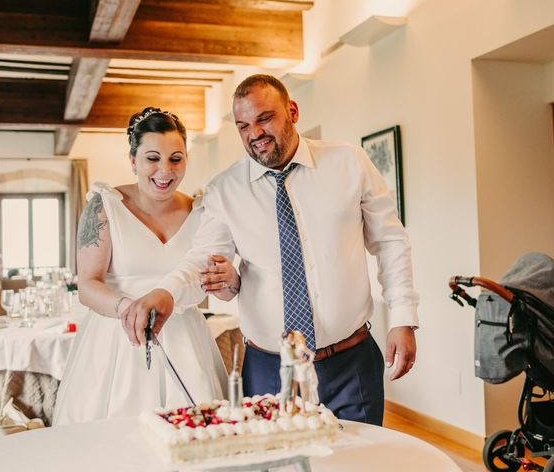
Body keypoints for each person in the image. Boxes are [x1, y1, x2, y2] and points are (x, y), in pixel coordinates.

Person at [121, 75, 419, 425]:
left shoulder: (349, 162)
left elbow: (389, 241)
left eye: (265, 119)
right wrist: (166, 293)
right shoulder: (225, 189)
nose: (255, 133)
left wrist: (403, 317)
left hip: (349, 361)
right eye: (243, 125)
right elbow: (203, 258)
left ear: (292, 111)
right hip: (267, 368)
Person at [53, 108, 238, 425]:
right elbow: (87, 284)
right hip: (118, 341)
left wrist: (230, 280)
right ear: (133, 160)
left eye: (176, 159)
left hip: (186, 341)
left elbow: (220, 290)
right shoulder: (105, 204)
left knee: (198, 438)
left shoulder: (202, 210)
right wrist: (129, 308)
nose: (165, 170)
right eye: (153, 158)